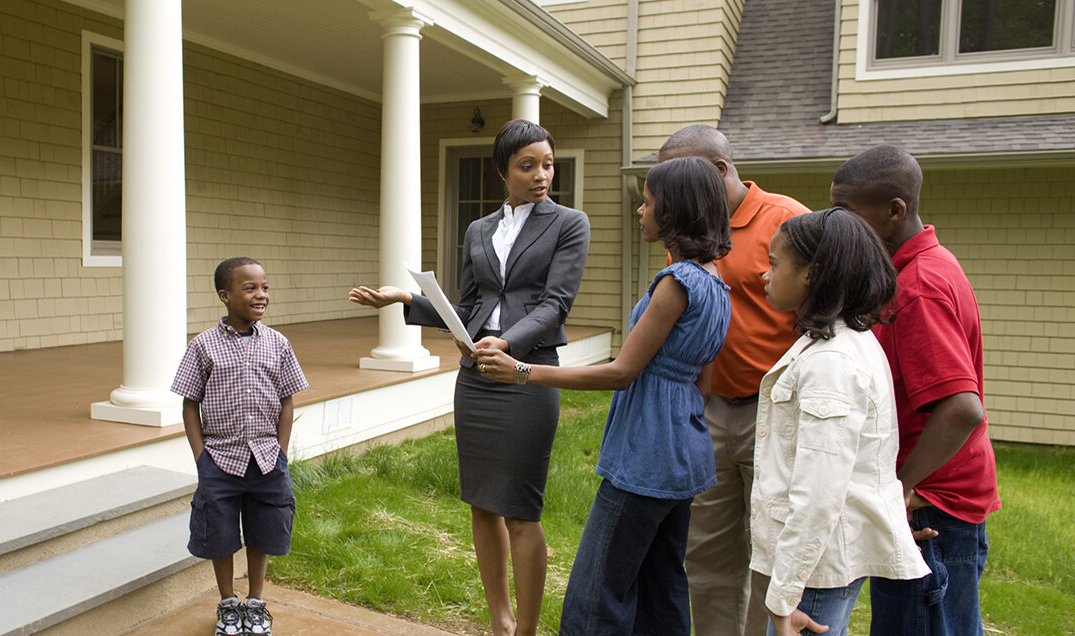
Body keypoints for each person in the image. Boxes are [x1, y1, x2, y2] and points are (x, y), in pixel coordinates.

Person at [348, 119, 589, 636]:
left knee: (521, 510)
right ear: (503, 170)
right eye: (527, 166)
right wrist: (407, 299)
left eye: (547, 164)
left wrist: (508, 342)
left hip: (526, 374)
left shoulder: (570, 223)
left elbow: (556, 304)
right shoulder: (478, 230)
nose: (541, 175)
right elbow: (470, 305)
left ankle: (526, 629)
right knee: (483, 504)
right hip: (475, 379)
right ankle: (499, 621)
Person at [477, 155, 732, 635]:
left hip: (645, 461)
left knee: (595, 596)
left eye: (649, 202)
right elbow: (705, 384)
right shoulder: (718, 284)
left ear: (672, 214)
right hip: (687, 456)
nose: (640, 211)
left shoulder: (674, 285)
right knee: (664, 589)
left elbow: (620, 373)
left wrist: (522, 371)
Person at [830, 145, 999, 636]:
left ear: (895, 210)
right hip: (927, 499)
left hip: (932, 507)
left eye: (847, 211)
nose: (837, 221)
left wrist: (899, 488)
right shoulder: (915, 268)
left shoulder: (919, 286)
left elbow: (961, 408)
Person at [657, 125, 812, 636]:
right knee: (707, 552)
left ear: (721, 170)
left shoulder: (788, 220)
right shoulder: (688, 231)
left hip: (776, 413)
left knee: (769, 548)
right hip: (712, 410)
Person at [750, 208, 930, 636]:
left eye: (775, 264)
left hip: (815, 570)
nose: (764, 275)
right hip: (819, 563)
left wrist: (783, 596)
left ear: (813, 274)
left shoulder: (831, 362)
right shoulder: (843, 342)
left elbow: (818, 492)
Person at [172, 256, 310, 636]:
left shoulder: (278, 343)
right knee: (219, 534)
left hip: (266, 460)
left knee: (264, 529)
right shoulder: (202, 346)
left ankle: (255, 601)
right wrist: (202, 457)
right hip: (220, 458)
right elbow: (189, 402)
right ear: (225, 295)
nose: (261, 294)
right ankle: (228, 603)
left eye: (264, 287)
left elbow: (287, 400)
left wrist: (281, 451)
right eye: (250, 288)